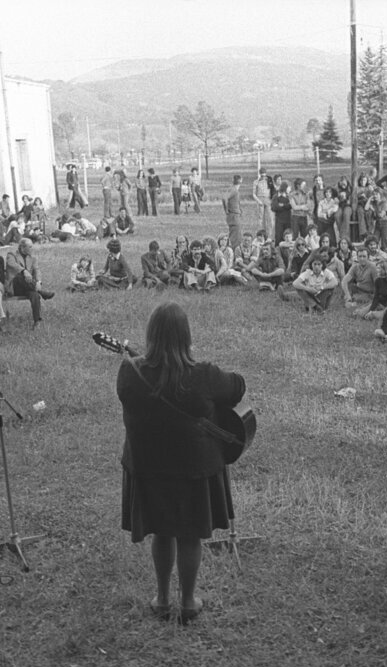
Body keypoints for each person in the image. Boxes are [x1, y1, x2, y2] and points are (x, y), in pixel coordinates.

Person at [118, 302, 244, 623]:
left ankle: (161, 599)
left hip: (150, 469)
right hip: (193, 470)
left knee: (162, 533)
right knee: (189, 535)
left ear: (150, 335)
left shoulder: (129, 372)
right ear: (186, 337)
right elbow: (238, 387)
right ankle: (188, 602)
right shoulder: (205, 375)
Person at [5, 237, 54, 329]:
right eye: (30, 247)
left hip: (28, 287)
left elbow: (37, 270)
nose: (32, 249)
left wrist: (39, 281)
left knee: (34, 295)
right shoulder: (11, 255)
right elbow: (12, 265)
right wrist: (24, 271)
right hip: (15, 287)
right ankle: (41, 292)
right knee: (20, 276)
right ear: (22, 248)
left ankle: (37, 321)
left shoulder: (33, 258)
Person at [252, 168, 275, 236]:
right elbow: (253, 194)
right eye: (262, 176)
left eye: (264, 176)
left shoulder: (269, 181)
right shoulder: (256, 182)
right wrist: (258, 201)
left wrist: (272, 200)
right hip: (260, 199)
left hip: (268, 199)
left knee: (270, 218)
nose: (263, 177)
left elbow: (273, 190)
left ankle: (270, 234)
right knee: (261, 219)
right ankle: (261, 234)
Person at [223, 175, 244, 248]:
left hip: (234, 215)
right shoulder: (234, 190)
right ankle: (234, 252)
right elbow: (224, 198)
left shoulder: (233, 189)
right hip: (234, 216)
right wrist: (226, 210)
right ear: (241, 181)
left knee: (236, 235)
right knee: (236, 237)